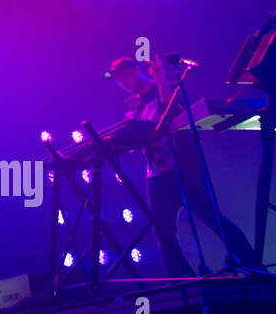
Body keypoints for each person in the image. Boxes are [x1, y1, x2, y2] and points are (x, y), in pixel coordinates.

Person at [107, 56, 261, 277]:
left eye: (122, 76)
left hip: (182, 164)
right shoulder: (129, 104)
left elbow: (169, 113)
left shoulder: (161, 88)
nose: (121, 83)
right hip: (156, 173)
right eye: (116, 80)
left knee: (211, 217)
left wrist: (160, 78)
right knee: (163, 231)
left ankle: (253, 264)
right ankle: (182, 281)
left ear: (133, 71)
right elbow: (137, 134)